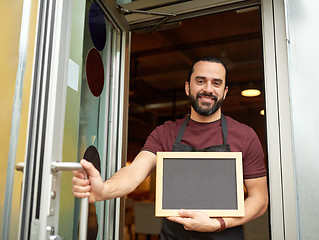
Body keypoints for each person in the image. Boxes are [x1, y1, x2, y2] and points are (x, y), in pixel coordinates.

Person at [72, 56, 268, 239]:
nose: (208, 89)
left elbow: (259, 199)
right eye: (200, 81)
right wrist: (104, 189)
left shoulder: (245, 136)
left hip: (224, 234)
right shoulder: (165, 133)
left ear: (225, 92)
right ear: (187, 87)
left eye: (216, 83)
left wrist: (218, 223)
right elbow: (133, 173)